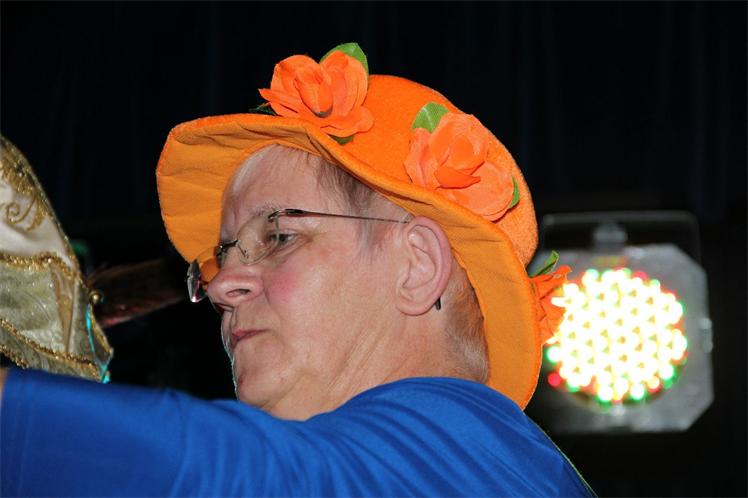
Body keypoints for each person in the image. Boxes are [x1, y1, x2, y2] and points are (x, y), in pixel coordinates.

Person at [1, 43, 593, 496]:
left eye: (279, 237)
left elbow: (221, 472)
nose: (220, 286)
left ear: (417, 266)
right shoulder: (502, 465)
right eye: (222, 256)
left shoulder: (456, 453)